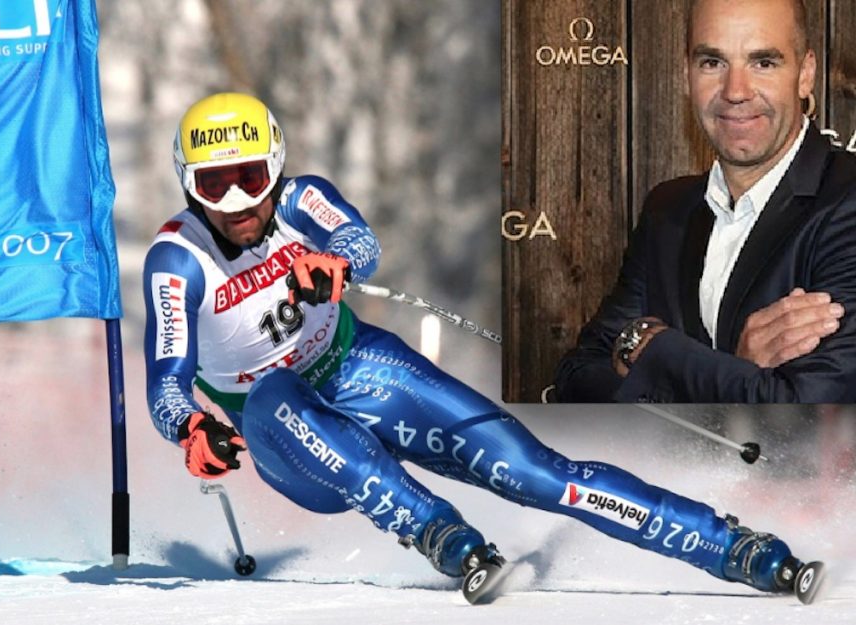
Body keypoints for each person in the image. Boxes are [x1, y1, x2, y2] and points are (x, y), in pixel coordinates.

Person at [143, 92, 816, 602]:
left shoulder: (300, 200)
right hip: (289, 440)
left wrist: (337, 267)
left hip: (361, 370)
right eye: (212, 184)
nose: (236, 201)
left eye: (250, 178)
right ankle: (440, 532)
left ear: (276, 168)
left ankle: (734, 546)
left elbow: (357, 241)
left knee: (534, 470)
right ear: (188, 185)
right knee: (272, 391)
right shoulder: (177, 259)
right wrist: (190, 427)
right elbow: (166, 380)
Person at [554, 0, 856, 403]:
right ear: (685, 75)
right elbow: (576, 380)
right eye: (712, 62)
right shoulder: (667, 208)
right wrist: (733, 366)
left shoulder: (848, 199)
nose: (735, 92)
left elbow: (809, 408)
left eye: (763, 63)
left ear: (805, 75)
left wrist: (654, 350)